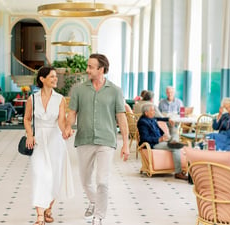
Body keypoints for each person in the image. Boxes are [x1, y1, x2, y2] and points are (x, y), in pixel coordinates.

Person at [65, 53, 129, 225]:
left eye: (91, 67)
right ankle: (94, 201)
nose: (87, 70)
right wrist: (67, 127)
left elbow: (121, 118)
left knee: (102, 181)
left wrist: (126, 144)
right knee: (85, 181)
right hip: (84, 139)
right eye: (88, 66)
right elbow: (71, 114)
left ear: (101, 69)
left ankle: (99, 216)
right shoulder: (79, 89)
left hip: (106, 140)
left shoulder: (115, 91)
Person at [24, 66, 74, 225]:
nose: (55, 79)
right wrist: (29, 135)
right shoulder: (32, 98)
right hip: (38, 140)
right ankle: (39, 215)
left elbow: (60, 121)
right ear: (42, 79)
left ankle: (48, 208)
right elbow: (26, 119)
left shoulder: (60, 99)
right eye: (51, 76)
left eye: (55, 77)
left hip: (55, 141)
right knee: (40, 174)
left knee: (55, 178)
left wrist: (66, 130)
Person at [137, 103, 188, 180]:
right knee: (175, 147)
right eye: (152, 110)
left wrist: (168, 119)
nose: (154, 112)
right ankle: (178, 173)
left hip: (162, 140)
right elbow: (144, 138)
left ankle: (174, 141)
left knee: (175, 134)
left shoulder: (152, 118)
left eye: (154, 110)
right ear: (146, 112)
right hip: (154, 144)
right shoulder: (142, 122)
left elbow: (159, 118)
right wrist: (159, 139)